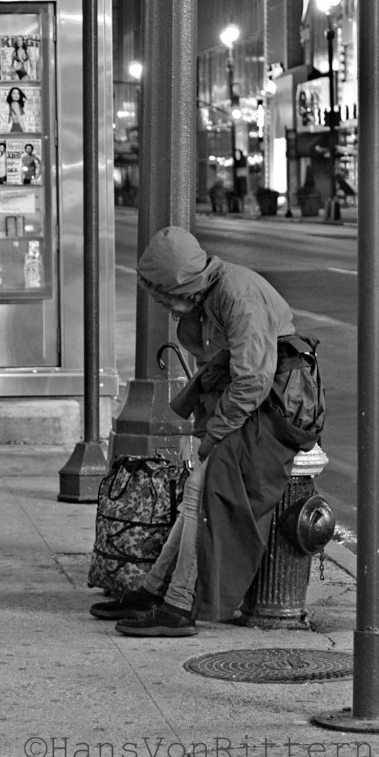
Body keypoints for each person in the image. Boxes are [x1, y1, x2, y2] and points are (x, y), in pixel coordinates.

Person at [90, 226, 303, 637]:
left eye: (161, 295)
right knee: (195, 490)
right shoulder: (208, 294)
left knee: (202, 490)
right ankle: (157, 591)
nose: (159, 303)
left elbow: (254, 381)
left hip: (272, 408)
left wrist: (214, 433)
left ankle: (179, 606)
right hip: (246, 402)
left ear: (182, 288)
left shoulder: (237, 297)